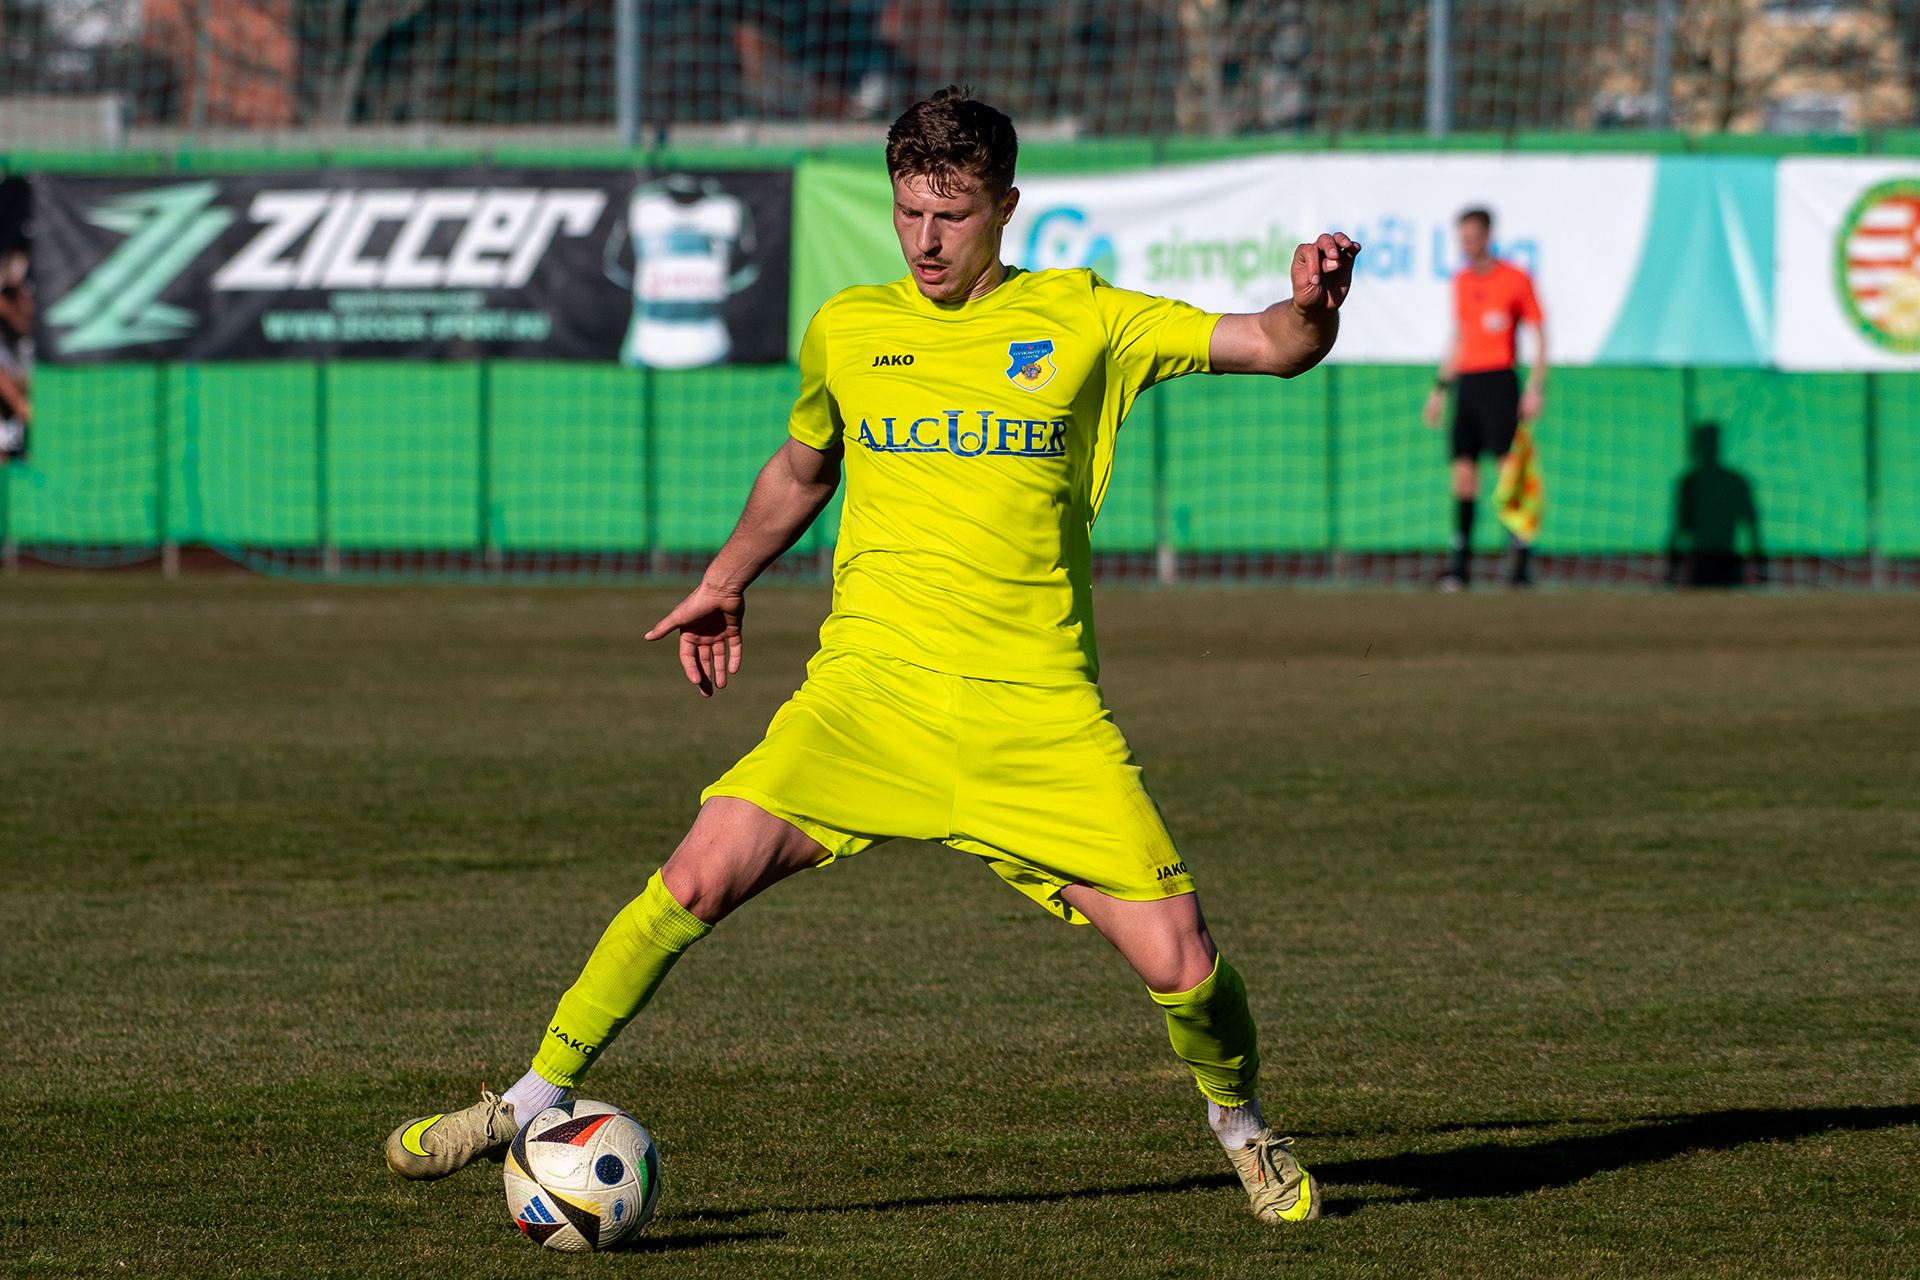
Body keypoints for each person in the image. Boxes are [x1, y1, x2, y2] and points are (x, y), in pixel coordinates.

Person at [383, 89, 1359, 1227]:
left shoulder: (1084, 316)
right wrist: (726, 578)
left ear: (1006, 207)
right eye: (908, 213)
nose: (927, 240)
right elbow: (805, 469)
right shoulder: (849, 327)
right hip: (867, 699)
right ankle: (527, 1100)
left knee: (1183, 963)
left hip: (1032, 716)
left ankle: (1242, 1126)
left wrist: (1312, 307)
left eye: (953, 214)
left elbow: (1272, 346)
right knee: (691, 879)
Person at [1423, 207, 1546, 590]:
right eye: (1463, 238)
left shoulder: (1515, 278)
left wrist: (1535, 387)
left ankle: (1519, 566)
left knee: (1508, 475)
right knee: (1463, 475)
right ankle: (1459, 567)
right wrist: (1439, 389)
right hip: (1467, 386)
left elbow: (1539, 333)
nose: (1468, 244)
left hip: (1500, 382)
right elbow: (1459, 336)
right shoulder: (1460, 281)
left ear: (1489, 237)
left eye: (1474, 237)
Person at [1667, 423, 1764, 587]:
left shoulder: (1734, 482)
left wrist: (1761, 570)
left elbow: (1751, 526)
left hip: (1726, 562)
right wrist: (1671, 571)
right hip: (1703, 562)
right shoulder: (1690, 483)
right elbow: (1680, 528)